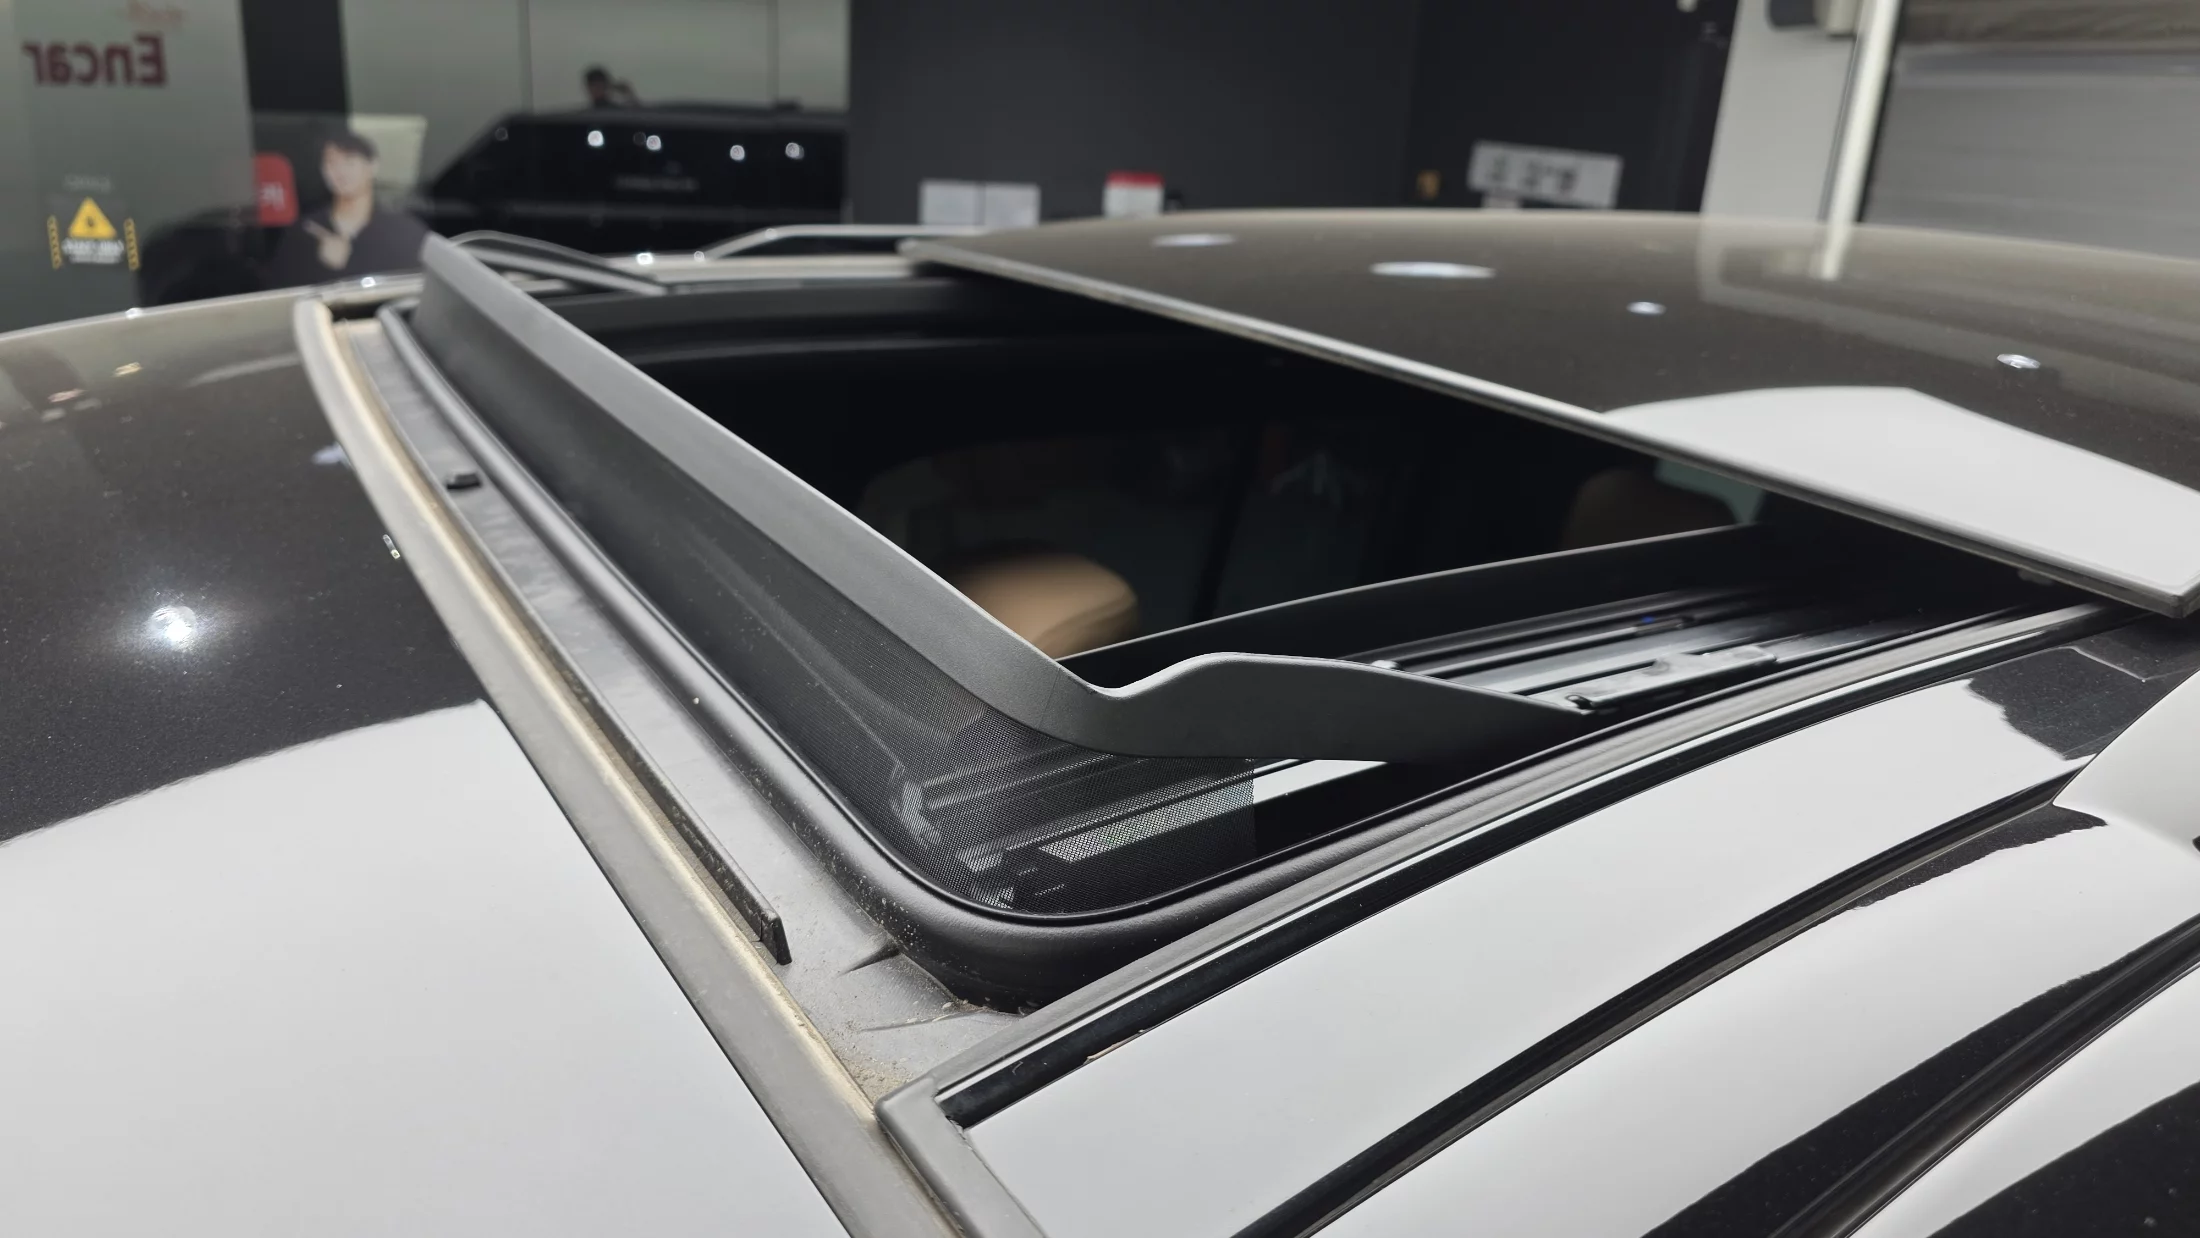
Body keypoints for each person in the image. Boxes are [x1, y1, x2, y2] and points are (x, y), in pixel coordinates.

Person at [263, 130, 430, 288]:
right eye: (331, 163)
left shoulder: (404, 231)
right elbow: (279, 291)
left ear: (372, 165)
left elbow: (416, 289)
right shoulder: (303, 231)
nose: (340, 171)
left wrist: (349, 264)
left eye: (349, 161)